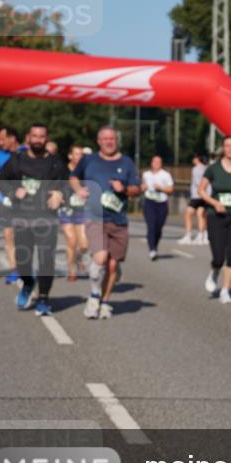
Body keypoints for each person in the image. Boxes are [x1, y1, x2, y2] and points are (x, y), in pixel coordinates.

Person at [0, 123, 69, 315]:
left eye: (41, 136)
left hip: (47, 219)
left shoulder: (55, 162)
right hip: (22, 217)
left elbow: (67, 186)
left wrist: (60, 195)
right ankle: (29, 283)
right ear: (29, 138)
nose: (38, 140)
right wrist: (13, 191)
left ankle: (43, 299)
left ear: (46, 139)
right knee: (22, 261)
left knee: (46, 260)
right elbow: (1, 182)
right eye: (34, 136)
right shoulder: (17, 160)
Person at [70, 125, 141, 320]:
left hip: (119, 220)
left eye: (112, 139)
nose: (109, 142)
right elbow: (74, 176)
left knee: (112, 266)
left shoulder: (126, 162)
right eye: (105, 139)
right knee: (100, 258)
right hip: (96, 216)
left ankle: (105, 302)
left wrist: (124, 189)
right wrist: (78, 189)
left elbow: (137, 188)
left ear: (116, 141)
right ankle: (94, 296)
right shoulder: (89, 160)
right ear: (99, 141)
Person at [198, 137, 231, 302]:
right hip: (217, 216)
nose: (230, 149)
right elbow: (201, 190)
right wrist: (215, 203)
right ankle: (215, 271)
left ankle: (225, 291)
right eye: (227, 146)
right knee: (218, 257)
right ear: (223, 148)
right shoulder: (213, 169)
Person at [0, 126, 21, 284]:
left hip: (26, 202)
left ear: (13, 138)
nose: (0, 142)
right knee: (8, 235)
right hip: (6, 200)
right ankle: (14, 269)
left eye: (3, 139)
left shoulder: (27, 152)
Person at [59, 145, 89, 281]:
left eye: (81, 154)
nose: (79, 157)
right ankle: (72, 271)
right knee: (71, 241)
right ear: (70, 156)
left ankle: (78, 258)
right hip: (66, 210)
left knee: (84, 244)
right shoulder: (62, 170)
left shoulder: (86, 171)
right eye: (76, 154)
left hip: (82, 210)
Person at [141, 155, 175, 261]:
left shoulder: (165, 175)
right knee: (151, 226)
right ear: (151, 163)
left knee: (158, 228)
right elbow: (141, 187)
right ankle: (152, 250)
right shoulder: (146, 174)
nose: (156, 164)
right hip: (149, 202)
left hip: (162, 203)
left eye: (158, 162)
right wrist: (143, 187)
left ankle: (155, 245)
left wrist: (161, 188)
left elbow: (170, 189)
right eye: (154, 162)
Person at [180, 153, 209, 245]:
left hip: (197, 195)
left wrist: (200, 191)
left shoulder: (196, 169)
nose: (192, 160)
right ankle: (202, 235)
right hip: (206, 195)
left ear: (197, 159)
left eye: (193, 158)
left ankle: (188, 235)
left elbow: (198, 182)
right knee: (201, 214)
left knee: (188, 214)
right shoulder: (206, 167)